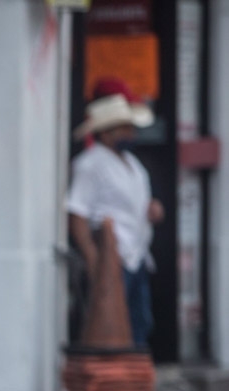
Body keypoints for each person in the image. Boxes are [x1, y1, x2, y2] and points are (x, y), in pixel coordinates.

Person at [67, 81, 163, 352]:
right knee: (111, 330)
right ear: (107, 132)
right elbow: (78, 213)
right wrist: (94, 259)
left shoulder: (133, 164)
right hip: (113, 258)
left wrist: (153, 209)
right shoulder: (90, 164)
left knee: (139, 324)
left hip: (137, 256)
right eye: (124, 127)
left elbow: (138, 202)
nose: (130, 133)